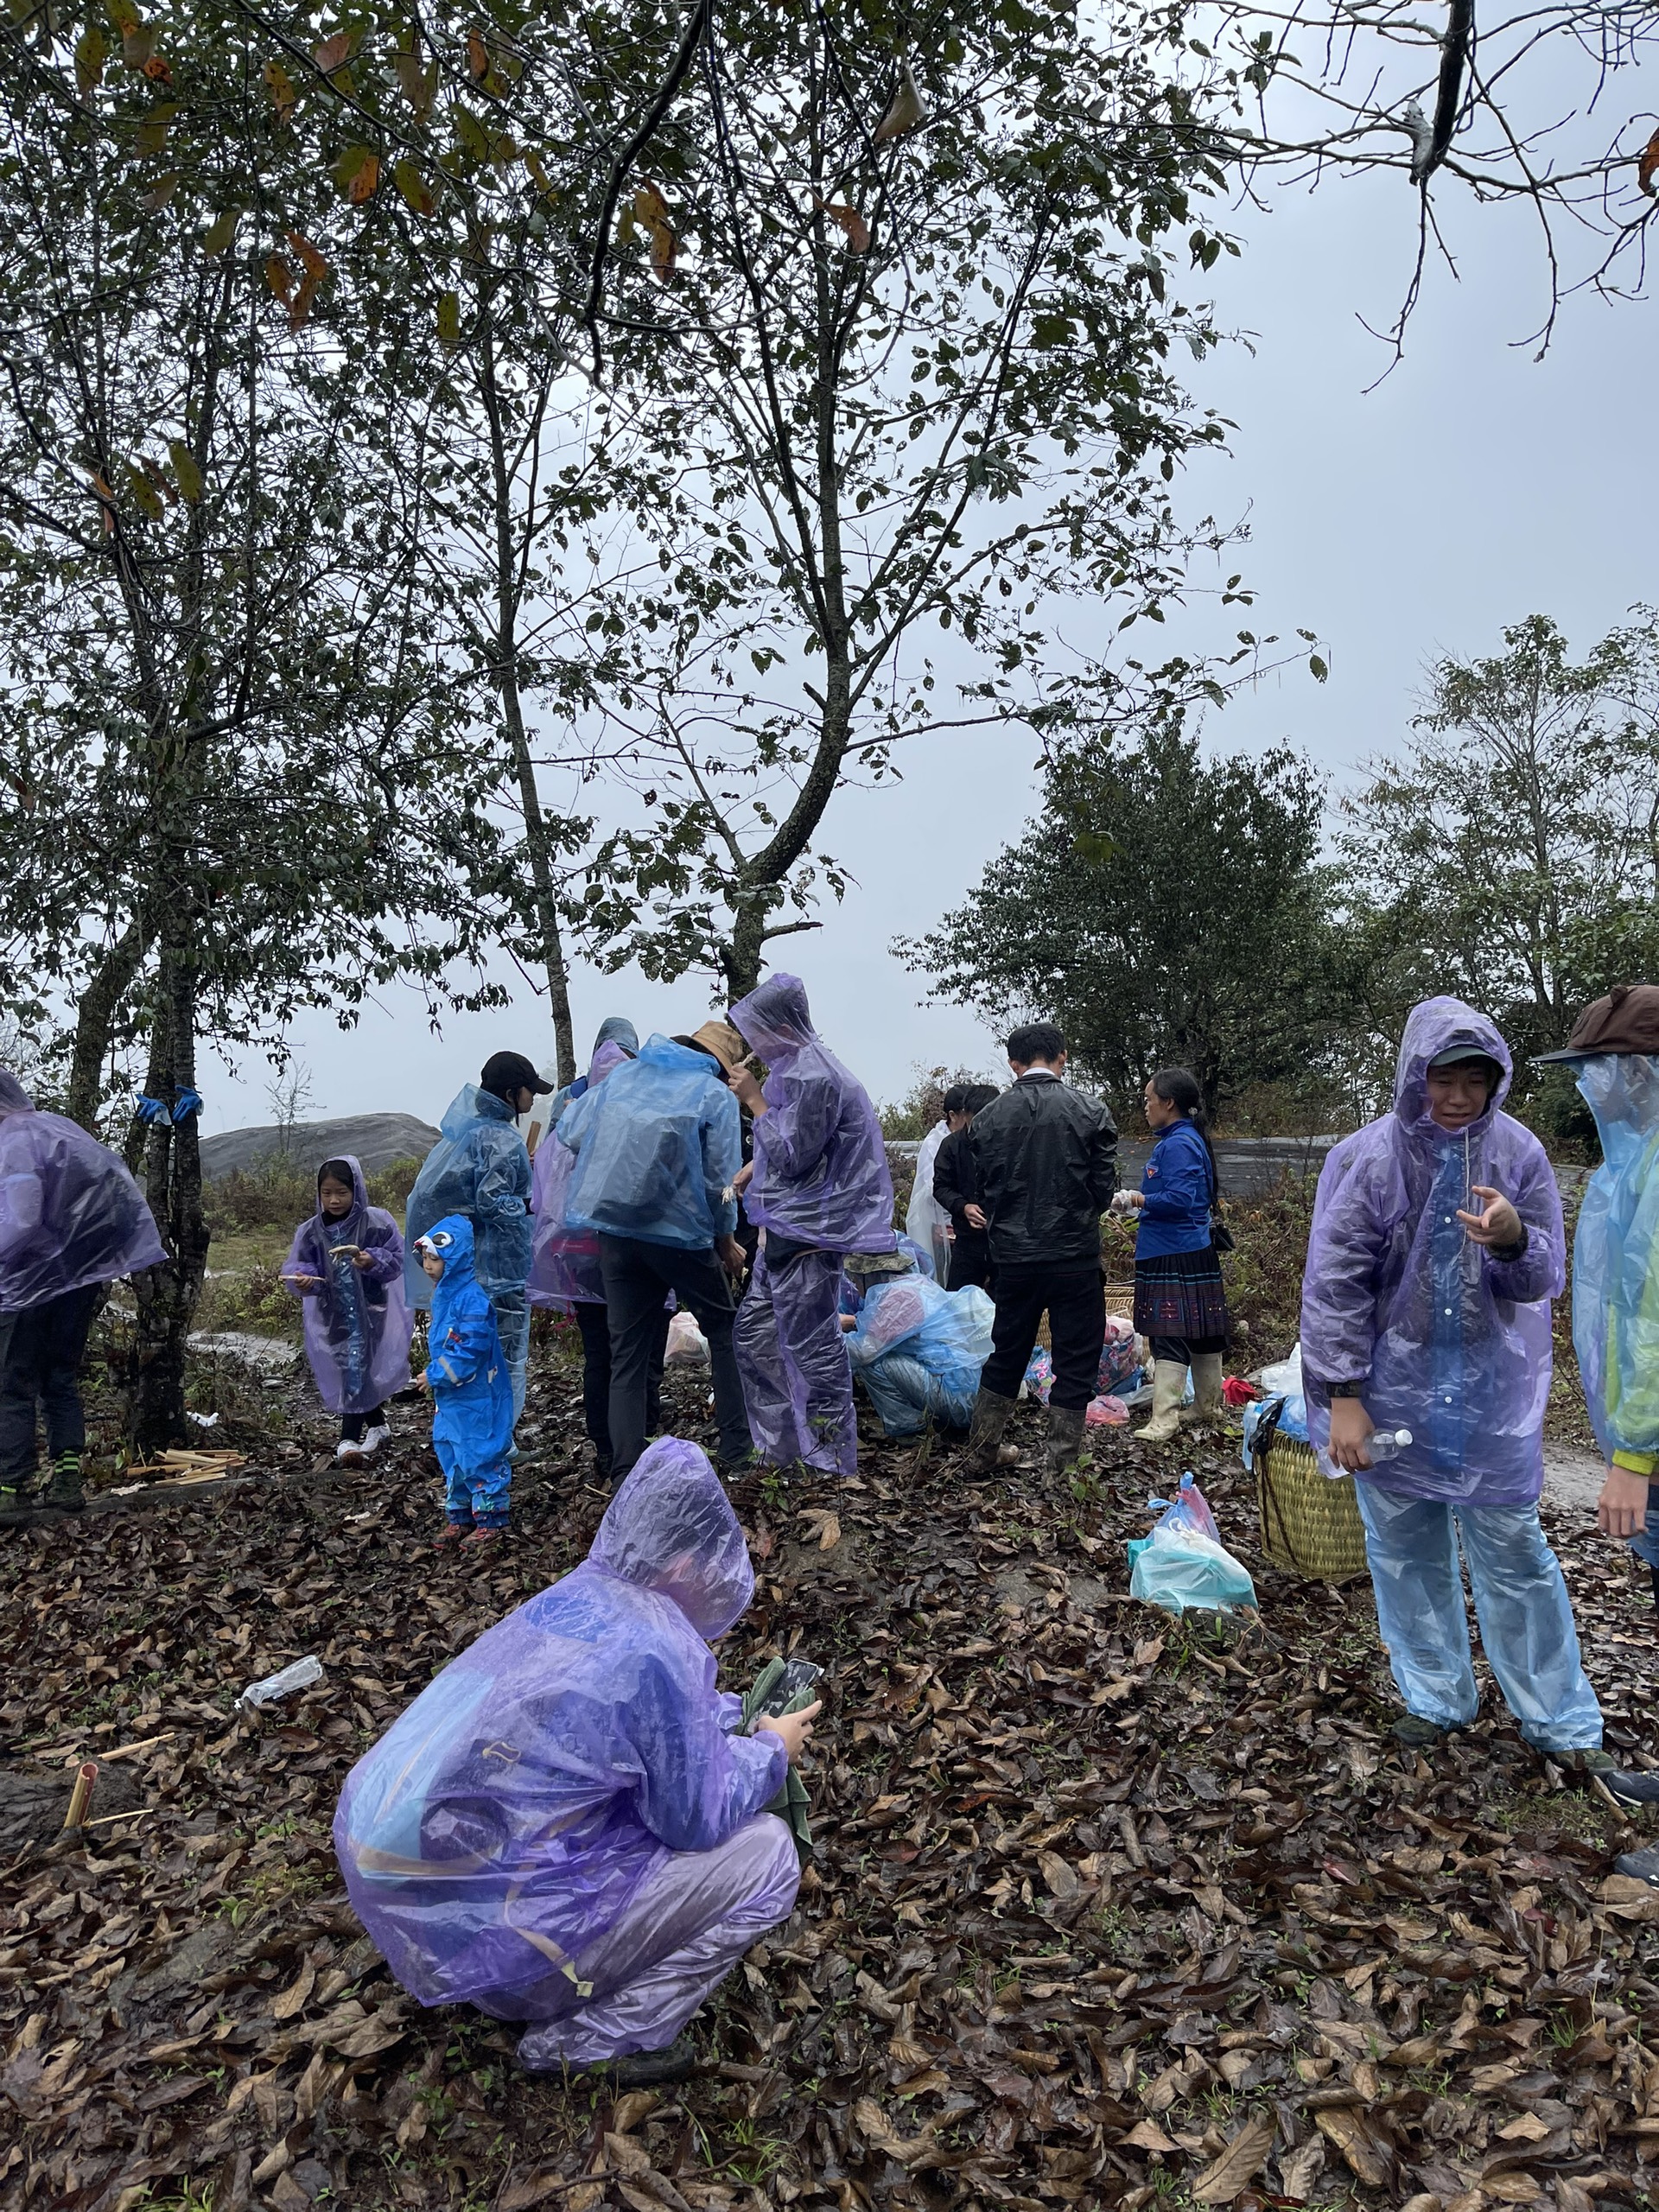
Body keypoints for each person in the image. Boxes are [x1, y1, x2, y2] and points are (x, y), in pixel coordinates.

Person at [334, 1437, 816, 2083]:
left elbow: (597, 1731)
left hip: (448, 1938)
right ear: (683, 1561)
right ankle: (587, 2041)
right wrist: (771, 1750)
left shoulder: (568, 1604)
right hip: (526, 1961)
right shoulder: (660, 1646)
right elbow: (696, 1821)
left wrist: (723, 1716)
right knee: (769, 1854)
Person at [1302, 995, 1609, 1770]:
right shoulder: (1368, 1159)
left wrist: (1513, 1239)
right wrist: (1344, 1397)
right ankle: (1436, 1698)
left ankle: (1560, 1723)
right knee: (1406, 1553)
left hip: (1491, 1401)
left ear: (1496, 1080)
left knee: (1515, 1554)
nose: (1459, 1096)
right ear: (1416, 1075)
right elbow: (1335, 1286)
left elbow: (1541, 1280)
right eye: (1444, 1078)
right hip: (1389, 1394)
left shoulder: (1519, 1154)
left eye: (1476, 1079)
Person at [558, 1027, 753, 1479]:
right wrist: (725, 1239)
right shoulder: (713, 1095)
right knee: (723, 1330)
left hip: (617, 1232)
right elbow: (720, 1180)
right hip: (680, 1239)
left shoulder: (625, 1078)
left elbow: (570, 1132)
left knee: (627, 1353)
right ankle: (737, 1451)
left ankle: (625, 1473)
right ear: (719, 1066)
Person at [726, 975, 898, 1480]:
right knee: (755, 1336)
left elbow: (795, 1155)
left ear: (781, 1028)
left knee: (813, 1351)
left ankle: (827, 1462)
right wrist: (755, 1165)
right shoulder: (796, 1070)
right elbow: (805, 1144)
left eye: (757, 1033)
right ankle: (779, 1452)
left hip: (807, 1238)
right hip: (784, 1233)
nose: (754, 1046)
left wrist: (753, 1101)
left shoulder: (813, 1074)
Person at [0, 1069, 167, 1522]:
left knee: (13, 1381)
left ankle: (11, 1487)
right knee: (58, 1375)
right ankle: (67, 1479)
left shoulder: (13, 1139)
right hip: (75, 1281)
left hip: (25, 1284)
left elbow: (22, 1217)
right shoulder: (57, 1127)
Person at [962, 1024, 1117, 1478]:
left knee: (1007, 1352)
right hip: (1074, 1258)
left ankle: (982, 1452)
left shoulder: (988, 1118)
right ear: (1062, 1057)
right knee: (1076, 1357)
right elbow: (1103, 1189)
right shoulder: (1090, 1111)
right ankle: (1061, 1468)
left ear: (1014, 1063)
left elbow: (987, 1189)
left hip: (1013, 1260)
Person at [529, 1038, 670, 1484]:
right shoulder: (640, 1115)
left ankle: (607, 1449)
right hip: (633, 1254)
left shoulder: (574, 1116)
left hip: (580, 1259)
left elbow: (547, 1196)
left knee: (600, 1354)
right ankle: (640, 1438)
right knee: (638, 1352)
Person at [404, 1052, 549, 1425]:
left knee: (470, 1350)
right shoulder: (502, 1139)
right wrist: (532, 1203)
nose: (533, 1098)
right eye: (529, 1090)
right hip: (502, 1269)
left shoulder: (465, 1134)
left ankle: (472, 1432)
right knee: (505, 1356)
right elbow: (491, 1201)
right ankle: (500, 1438)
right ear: (510, 1094)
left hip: (470, 1268)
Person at [1116, 1067, 1229, 1442]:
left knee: (1168, 1333)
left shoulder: (1178, 1144)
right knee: (1201, 1330)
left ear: (1168, 1102)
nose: (1145, 1106)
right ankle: (1208, 1406)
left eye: (1149, 1100)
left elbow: (1179, 1199)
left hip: (1172, 1251)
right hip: (1191, 1248)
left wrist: (1137, 1199)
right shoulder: (1187, 1138)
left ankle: (1164, 1418)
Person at [282, 1156, 411, 1466]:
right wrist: (305, 1279)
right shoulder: (310, 1231)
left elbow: (398, 1258)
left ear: (356, 1190)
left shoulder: (377, 1222)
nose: (334, 1200)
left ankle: (347, 1439)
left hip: (372, 1310)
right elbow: (302, 1265)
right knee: (348, 1367)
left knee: (358, 1366)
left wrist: (371, 1260)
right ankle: (378, 1426)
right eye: (326, 1193)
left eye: (341, 1192)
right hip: (333, 1314)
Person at [414, 1217, 514, 1546]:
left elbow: (470, 1348)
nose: (428, 1266)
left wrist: (435, 1374)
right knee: (451, 1452)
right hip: (450, 1400)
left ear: (454, 1259)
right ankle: (460, 1514)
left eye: (435, 1259)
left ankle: (491, 1516)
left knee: (478, 1450)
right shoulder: (445, 1295)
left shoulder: (472, 1300)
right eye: (425, 1258)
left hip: (476, 1395)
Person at [932, 1084, 999, 1292]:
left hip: (1004, 1240)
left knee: (1007, 1303)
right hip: (967, 1241)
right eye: (974, 1121)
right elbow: (941, 1187)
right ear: (965, 1115)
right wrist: (963, 1207)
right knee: (957, 1300)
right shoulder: (951, 1145)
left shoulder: (1010, 1143)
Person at [906, 1084, 967, 1280]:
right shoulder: (935, 1143)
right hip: (941, 1226)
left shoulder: (966, 1139)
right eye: (966, 1114)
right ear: (953, 1115)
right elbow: (932, 1187)